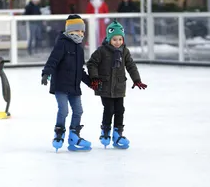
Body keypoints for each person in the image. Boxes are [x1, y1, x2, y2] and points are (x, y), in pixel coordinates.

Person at [86, 20, 147, 149]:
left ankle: (118, 133)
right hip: (105, 86)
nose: (118, 42)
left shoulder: (124, 51)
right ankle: (105, 131)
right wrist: (95, 78)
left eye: (120, 39)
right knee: (109, 109)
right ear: (109, 39)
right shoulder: (102, 51)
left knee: (120, 110)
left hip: (119, 86)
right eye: (114, 39)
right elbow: (91, 63)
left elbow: (131, 65)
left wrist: (137, 80)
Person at [41, 14, 92, 152]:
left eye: (82, 31)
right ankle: (59, 132)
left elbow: (80, 70)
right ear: (69, 31)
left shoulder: (80, 49)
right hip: (61, 85)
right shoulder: (62, 44)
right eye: (77, 31)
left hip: (74, 86)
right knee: (63, 110)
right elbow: (53, 60)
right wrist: (46, 73)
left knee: (78, 111)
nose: (80, 34)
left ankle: (74, 135)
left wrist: (91, 83)